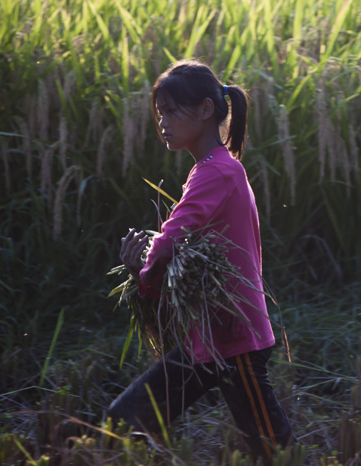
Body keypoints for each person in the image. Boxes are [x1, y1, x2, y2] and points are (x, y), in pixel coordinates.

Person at [107, 59, 293, 461]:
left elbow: (173, 236)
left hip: (236, 340)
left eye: (172, 111)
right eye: (160, 114)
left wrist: (142, 270)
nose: (163, 122)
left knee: (277, 455)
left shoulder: (217, 173)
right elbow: (180, 238)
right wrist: (147, 263)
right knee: (126, 419)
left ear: (206, 109)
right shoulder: (211, 170)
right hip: (210, 337)